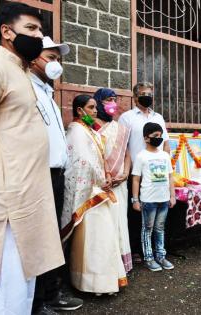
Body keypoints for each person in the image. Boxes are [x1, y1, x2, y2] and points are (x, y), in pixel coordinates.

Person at [0, 3, 64, 314]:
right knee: (7, 286)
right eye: (32, 29)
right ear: (7, 32)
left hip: (31, 192)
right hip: (8, 197)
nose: (39, 36)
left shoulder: (20, 71)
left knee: (25, 284)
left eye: (41, 30)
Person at [30, 36, 83, 314]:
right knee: (39, 240)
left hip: (56, 175)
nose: (55, 64)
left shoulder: (47, 91)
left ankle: (50, 293)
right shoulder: (27, 89)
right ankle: (38, 302)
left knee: (52, 237)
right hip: (38, 174)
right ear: (33, 58)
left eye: (57, 59)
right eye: (50, 58)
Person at [61, 95, 127, 295]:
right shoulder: (76, 131)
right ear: (79, 110)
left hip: (99, 192)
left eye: (95, 107)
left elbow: (100, 159)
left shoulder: (91, 131)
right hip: (90, 195)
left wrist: (106, 175)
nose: (95, 111)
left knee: (105, 239)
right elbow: (83, 163)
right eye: (90, 108)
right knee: (93, 241)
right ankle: (91, 284)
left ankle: (106, 283)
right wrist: (102, 180)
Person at [118, 82, 170, 262]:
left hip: (157, 173)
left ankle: (158, 249)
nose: (147, 96)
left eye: (149, 93)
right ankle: (135, 250)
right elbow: (122, 146)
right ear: (135, 97)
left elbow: (166, 143)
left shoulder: (159, 117)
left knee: (157, 211)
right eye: (143, 93)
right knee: (136, 211)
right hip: (136, 173)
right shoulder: (127, 117)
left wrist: (167, 164)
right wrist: (126, 170)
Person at [94, 88, 133, 273]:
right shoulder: (89, 124)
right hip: (101, 185)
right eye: (108, 99)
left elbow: (126, 154)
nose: (113, 104)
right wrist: (106, 177)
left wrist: (125, 173)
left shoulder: (120, 128)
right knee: (102, 227)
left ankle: (120, 267)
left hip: (119, 183)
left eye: (114, 100)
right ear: (98, 102)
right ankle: (104, 270)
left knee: (119, 223)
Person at [132, 122, 176, 271]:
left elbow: (170, 177)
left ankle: (161, 256)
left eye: (160, 135)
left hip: (163, 199)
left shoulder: (165, 155)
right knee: (147, 228)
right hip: (148, 200)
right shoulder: (141, 156)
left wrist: (172, 196)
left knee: (160, 228)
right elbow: (136, 179)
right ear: (146, 138)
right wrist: (135, 199)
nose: (159, 138)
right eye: (155, 136)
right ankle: (149, 258)